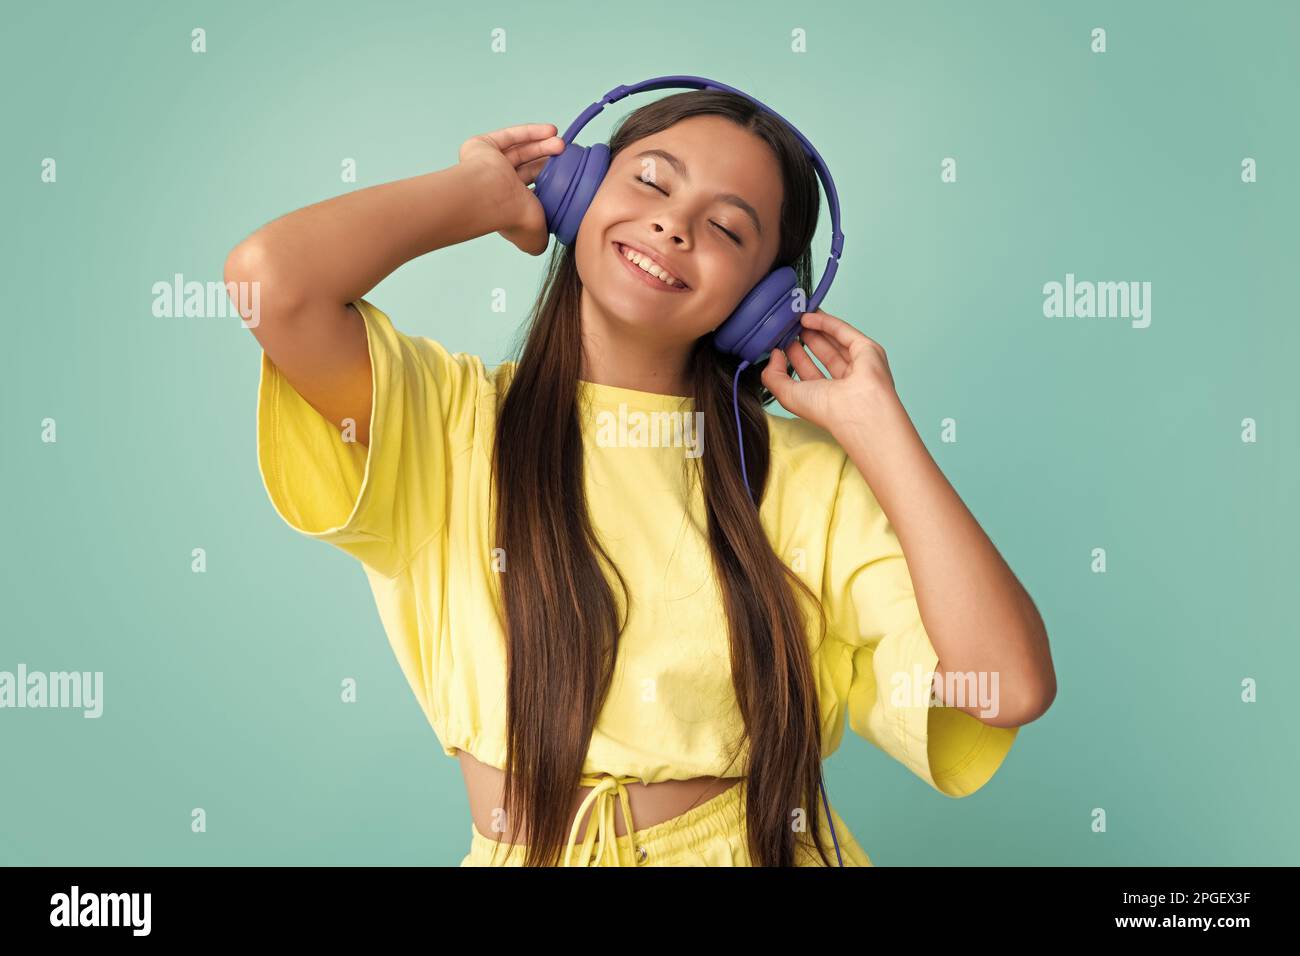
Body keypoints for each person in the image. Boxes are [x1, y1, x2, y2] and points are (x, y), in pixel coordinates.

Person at [225, 89, 1056, 867]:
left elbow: (1009, 685)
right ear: (579, 193)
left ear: (763, 302)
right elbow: (272, 283)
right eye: (650, 183)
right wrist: (478, 192)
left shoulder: (809, 483)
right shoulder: (450, 422)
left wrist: (880, 430)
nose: (671, 228)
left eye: (727, 230)